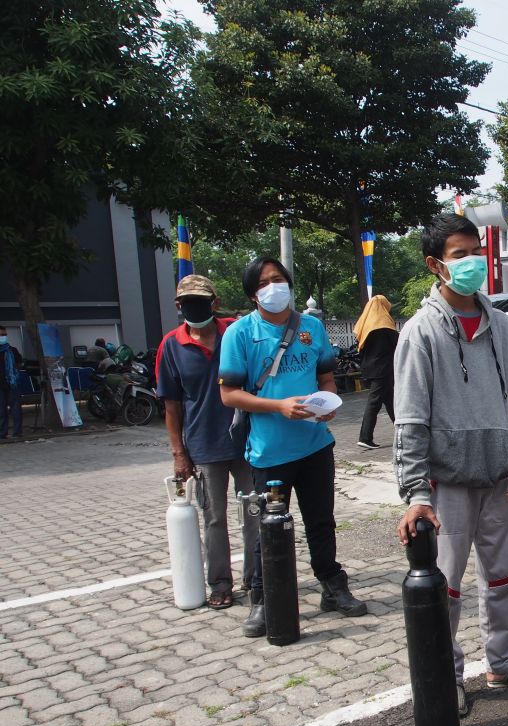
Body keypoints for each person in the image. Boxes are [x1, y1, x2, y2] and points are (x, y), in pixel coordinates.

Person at [393, 213, 508, 719]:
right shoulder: (420, 333)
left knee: (505, 576)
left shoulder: (503, 325)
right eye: (459, 254)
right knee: (446, 588)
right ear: (435, 264)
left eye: (475, 251)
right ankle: (448, 675)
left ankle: (501, 663)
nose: (471, 262)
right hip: (444, 486)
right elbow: (410, 420)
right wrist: (416, 493)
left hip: (495, 478)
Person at [219, 256, 368, 637]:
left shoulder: (312, 327)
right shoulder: (239, 334)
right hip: (269, 451)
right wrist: (278, 407)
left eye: (280, 279)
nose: (275, 287)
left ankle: (332, 585)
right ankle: (263, 598)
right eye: (266, 282)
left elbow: (326, 377)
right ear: (254, 294)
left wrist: (328, 403)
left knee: (321, 521)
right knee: (270, 527)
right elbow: (230, 394)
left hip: (316, 445)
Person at [155, 275, 258, 608]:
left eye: (202, 301)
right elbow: (171, 406)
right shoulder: (171, 345)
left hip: (246, 440)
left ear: (214, 303)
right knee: (215, 517)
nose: (195, 307)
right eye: (188, 302)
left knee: (253, 511)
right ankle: (220, 583)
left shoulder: (236, 331)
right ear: (178, 306)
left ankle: (257, 578)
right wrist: (178, 453)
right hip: (204, 445)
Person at [352, 294, 399, 449]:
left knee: (391, 401)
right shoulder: (385, 324)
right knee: (374, 402)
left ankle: (403, 432)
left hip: (370, 368)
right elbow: (397, 345)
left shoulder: (365, 324)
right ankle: (365, 437)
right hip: (383, 369)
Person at [0, 326, 23, 439]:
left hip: (12, 384)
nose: (3, 337)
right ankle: (2, 433)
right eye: (1, 335)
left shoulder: (12, 350)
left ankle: (17, 432)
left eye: (5, 334)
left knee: (16, 409)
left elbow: (20, 363)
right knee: (1, 410)